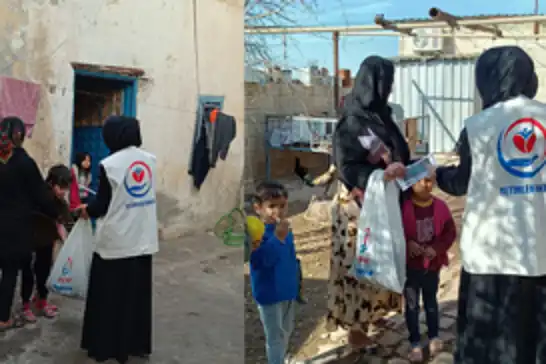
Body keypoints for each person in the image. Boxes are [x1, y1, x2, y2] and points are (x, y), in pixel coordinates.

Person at [434, 46, 543, 364]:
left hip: (491, 251)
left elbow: (460, 183)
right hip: (540, 248)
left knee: (488, 341)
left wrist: (436, 173)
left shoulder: (479, 126)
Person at [328, 55, 410, 349]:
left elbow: (398, 150)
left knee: (381, 260)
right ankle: (355, 329)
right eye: (383, 83)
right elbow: (347, 167)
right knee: (357, 265)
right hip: (357, 207)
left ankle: (375, 313)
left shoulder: (382, 116)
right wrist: (381, 174)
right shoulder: (351, 121)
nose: (387, 89)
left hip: (383, 198)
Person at [78, 116, 158, 363]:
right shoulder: (150, 160)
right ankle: (135, 345)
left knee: (110, 298)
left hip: (116, 242)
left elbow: (101, 205)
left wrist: (85, 210)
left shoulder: (109, 164)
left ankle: (107, 347)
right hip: (142, 239)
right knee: (136, 297)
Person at [0, 116, 59, 331]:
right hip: (16, 228)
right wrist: (56, 214)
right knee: (9, 272)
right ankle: (3, 317)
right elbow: (42, 196)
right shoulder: (24, 163)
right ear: (20, 136)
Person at [401, 175, 456, 362]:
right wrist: (407, 243)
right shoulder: (403, 208)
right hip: (410, 266)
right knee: (411, 305)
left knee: (431, 301)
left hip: (432, 265)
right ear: (411, 183)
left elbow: (450, 232)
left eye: (430, 180)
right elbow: (395, 232)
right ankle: (415, 342)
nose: (427, 184)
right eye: (421, 181)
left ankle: (434, 337)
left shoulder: (441, 206)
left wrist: (437, 248)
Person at [249, 181, 299, 364]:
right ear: (258, 208)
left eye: (282, 205)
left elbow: (290, 257)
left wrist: (297, 285)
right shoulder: (256, 233)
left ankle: (282, 358)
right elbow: (261, 261)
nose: (278, 211)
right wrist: (278, 238)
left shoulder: (285, 229)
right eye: (271, 206)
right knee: (275, 336)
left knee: (287, 329)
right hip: (269, 293)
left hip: (287, 290)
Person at [20, 164, 74, 322]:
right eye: (62, 187)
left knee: (44, 269)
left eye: (67, 188)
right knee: (27, 271)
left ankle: (41, 300)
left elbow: (67, 219)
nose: (64, 191)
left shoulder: (60, 201)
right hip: (29, 236)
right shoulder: (39, 194)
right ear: (53, 182)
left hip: (46, 239)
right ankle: (25, 304)